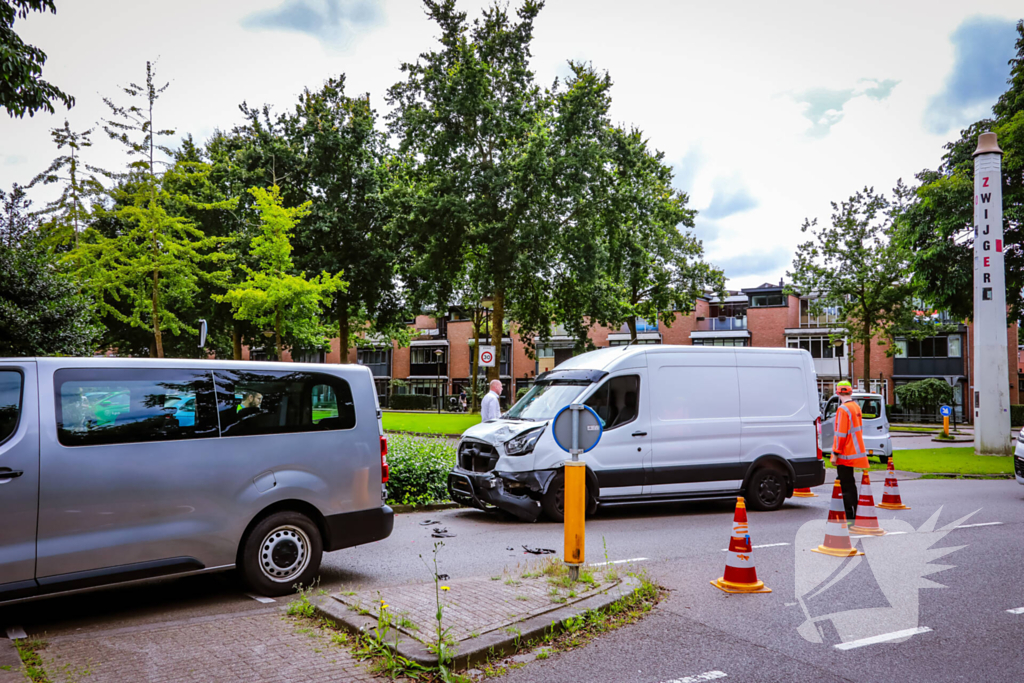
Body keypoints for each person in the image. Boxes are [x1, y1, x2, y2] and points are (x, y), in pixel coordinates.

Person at [832, 381, 869, 523]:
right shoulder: (856, 407)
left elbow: (841, 434)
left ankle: (849, 516)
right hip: (855, 452)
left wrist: (835, 453)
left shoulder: (842, 409)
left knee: (845, 485)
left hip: (845, 453)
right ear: (850, 392)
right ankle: (854, 512)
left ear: (838, 393)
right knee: (850, 484)